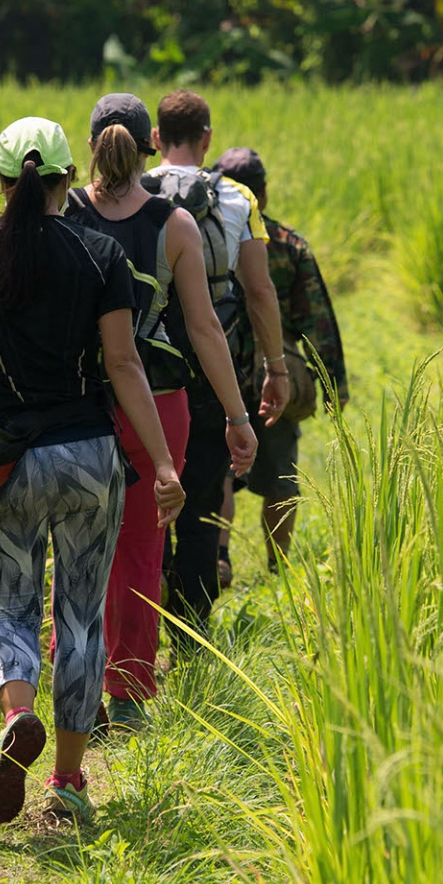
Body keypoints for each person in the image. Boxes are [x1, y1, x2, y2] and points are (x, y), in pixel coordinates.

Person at [0, 116, 184, 829]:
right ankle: (68, 784)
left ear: (3, 181)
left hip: (7, 459)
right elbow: (124, 363)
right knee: (80, 616)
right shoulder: (99, 253)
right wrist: (162, 462)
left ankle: (17, 713)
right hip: (89, 458)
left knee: (9, 604)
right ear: (69, 181)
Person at [64, 94, 258, 733]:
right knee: (143, 552)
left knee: (77, 550)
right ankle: (128, 696)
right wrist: (237, 414)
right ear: (148, 140)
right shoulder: (174, 225)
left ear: (88, 143)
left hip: (78, 403)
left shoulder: (63, 214)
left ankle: (78, 695)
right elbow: (203, 327)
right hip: (162, 401)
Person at [143, 90, 289, 637]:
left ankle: (142, 632)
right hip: (212, 372)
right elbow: (258, 290)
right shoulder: (238, 200)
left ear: (156, 138)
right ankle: (194, 642)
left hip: (144, 377)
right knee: (203, 508)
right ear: (207, 138)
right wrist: (275, 366)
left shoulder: (129, 196)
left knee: (147, 506)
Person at [215, 147, 350, 573]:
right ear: (264, 193)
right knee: (280, 479)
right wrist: (334, 385)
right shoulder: (289, 246)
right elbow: (318, 321)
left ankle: (218, 556)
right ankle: (279, 568)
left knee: (218, 468)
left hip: (219, 367)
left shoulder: (204, 239)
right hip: (279, 374)